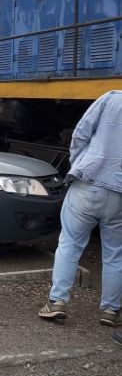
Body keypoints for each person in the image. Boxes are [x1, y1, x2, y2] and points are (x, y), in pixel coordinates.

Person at [38, 90, 122, 330]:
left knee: (70, 244)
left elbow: (81, 133)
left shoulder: (112, 98)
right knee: (116, 252)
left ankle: (57, 302)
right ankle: (110, 310)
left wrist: (79, 164)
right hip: (119, 192)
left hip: (89, 182)